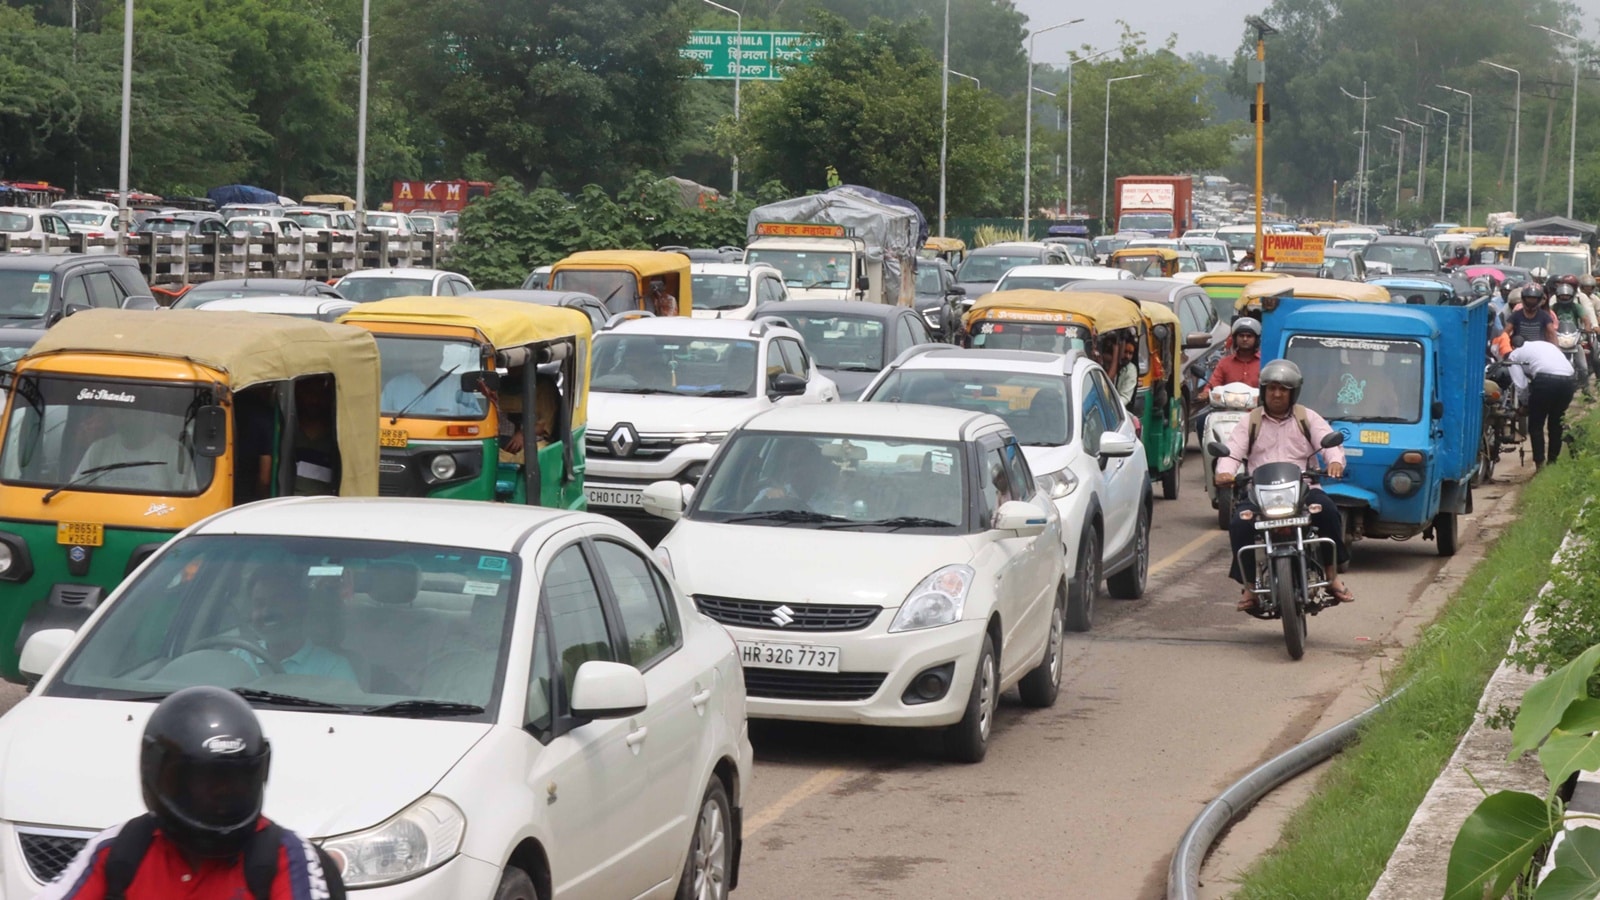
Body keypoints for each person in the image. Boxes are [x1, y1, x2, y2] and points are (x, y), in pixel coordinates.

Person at [37, 685, 345, 899]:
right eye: (207, 783)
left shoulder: (284, 857)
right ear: (161, 778)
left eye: (235, 781)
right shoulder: (120, 851)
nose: (222, 795)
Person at [1214, 360, 1353, 611]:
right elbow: (1232, 452)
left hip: (1303, 490)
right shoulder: (1250, 421)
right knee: (1239, 523)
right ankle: (1250, 587)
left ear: (1293, 393)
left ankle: (1332, 576)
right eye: (1272, 388)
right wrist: (1225, 472)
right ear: (1264, 391)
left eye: (1283, 389)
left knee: (1329, 511)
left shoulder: (1306, 417)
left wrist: (1334, 462)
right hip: (1260, 495)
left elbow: (1329, 442)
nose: (1277, 394)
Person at [234, 566, 359, 681]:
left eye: (278, 602)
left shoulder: (334, 668)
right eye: (259, 604)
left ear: (300, 609)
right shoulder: (234, 660)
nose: (267, 613)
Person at [72, 410, 196, 494]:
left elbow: (186, 503)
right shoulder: (99, 449)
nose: (126, 420)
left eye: (133, 414)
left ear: (149, 416)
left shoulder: (173, 451)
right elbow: (75, 492)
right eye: (121, 414)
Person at [1506, 335, 1577, 471]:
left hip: (1545, 380)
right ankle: (1553, 462)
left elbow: (1520, 385)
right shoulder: (1546, 346)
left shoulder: (1514, 355)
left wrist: (1526, 405)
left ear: (1513, 346)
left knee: (1536, 424)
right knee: (1556, 422)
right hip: (1569, 381)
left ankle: (1540, 464)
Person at [290, 378, 338, 496]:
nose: (314, 400)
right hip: (289, 503)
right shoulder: (288, 432)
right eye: (309, 393)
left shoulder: (337, 438)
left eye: (319, 394)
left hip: (322, 505)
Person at [1206, 317, 1263, 390]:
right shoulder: (1224, 363)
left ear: (1256, 339)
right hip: (1228, 401)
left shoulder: (1264, 363)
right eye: (1241, 336)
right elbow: (1213, 384)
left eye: (1249, 336)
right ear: (1235, 338)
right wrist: (1205, 394)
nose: (1245, 339)